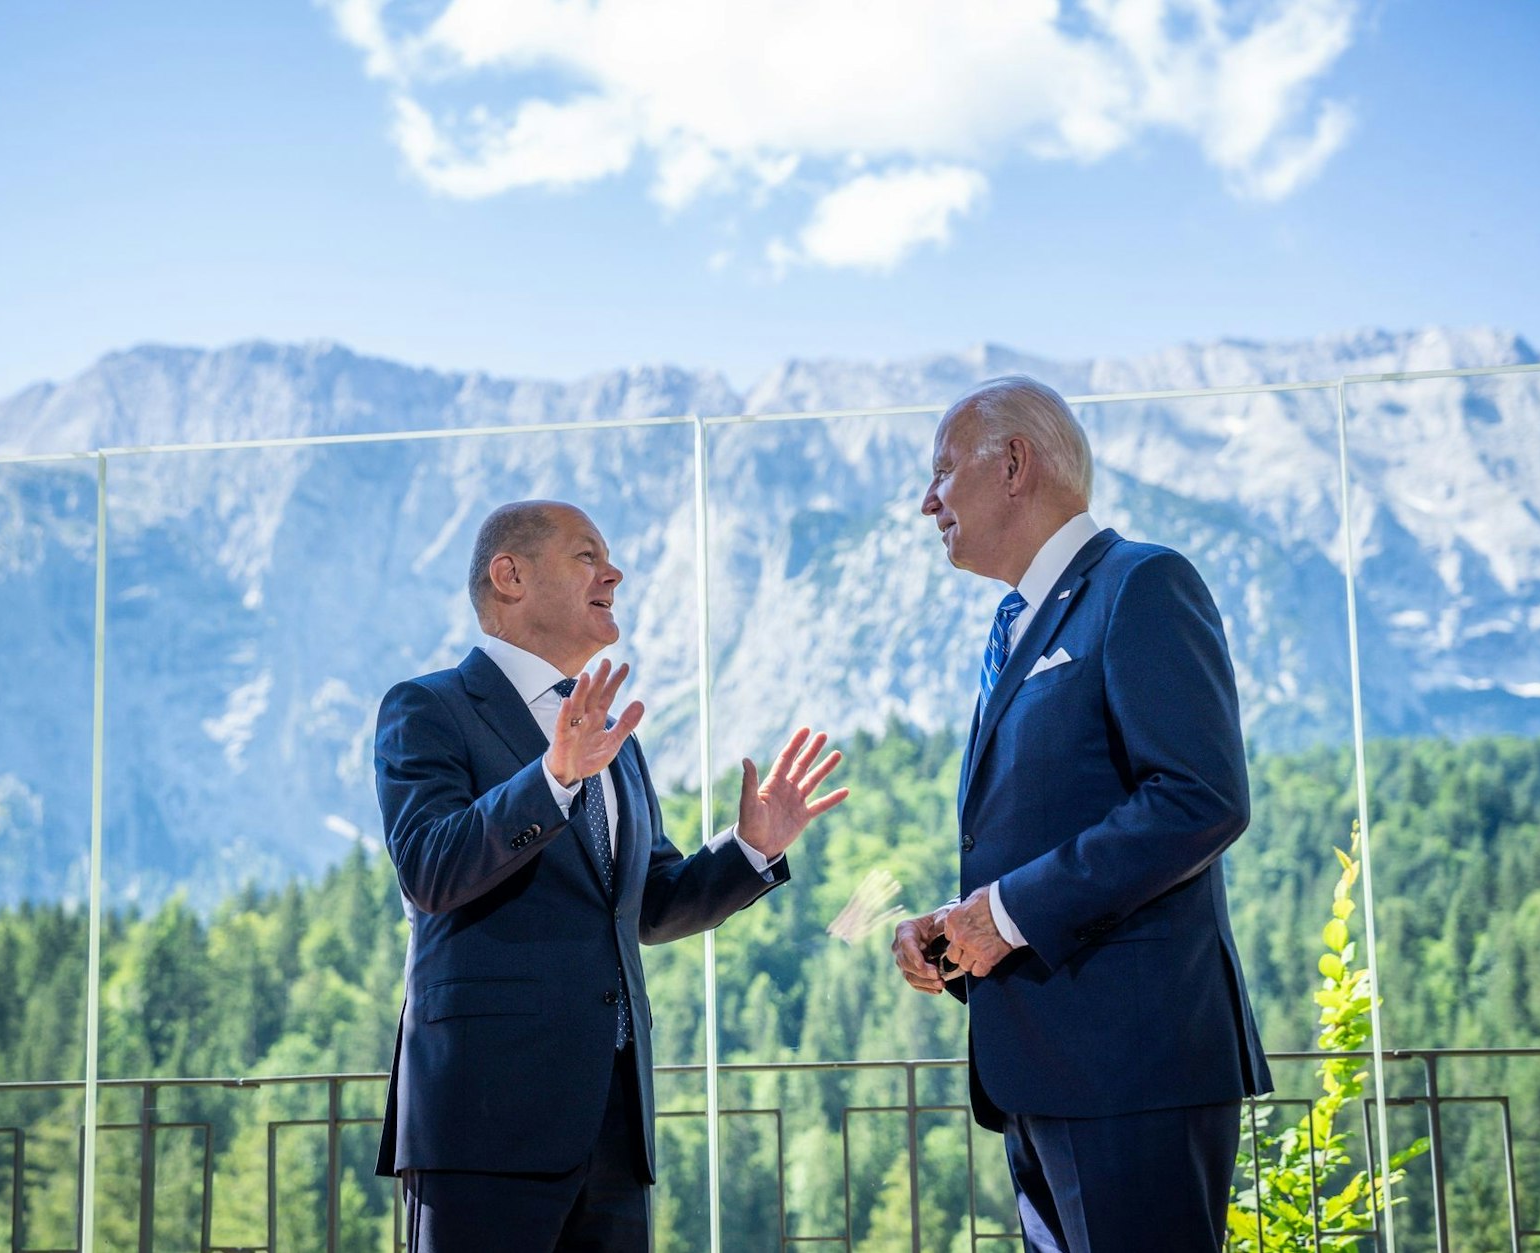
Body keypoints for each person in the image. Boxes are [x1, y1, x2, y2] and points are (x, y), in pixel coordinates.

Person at [375, 499, 847, 1252]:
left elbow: (648, 905)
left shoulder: (612, 739)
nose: (615, 572)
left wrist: (750, 850)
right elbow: (430, 868)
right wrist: (552, 777)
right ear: (511, 575)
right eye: (587, 555)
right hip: (483, 1125)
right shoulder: (428, 708)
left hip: (615, 1128)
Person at [891, 377, 1272, 1252]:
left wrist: (1009, 912)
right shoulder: (1016, 622)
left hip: (1131, 1070)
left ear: (1014, 464)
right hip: (1045, 1074)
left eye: (943, 471)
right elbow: (1041, 826)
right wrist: (957, 930)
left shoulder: (1142, 584)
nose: (927, 501)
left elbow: (1199, 796)